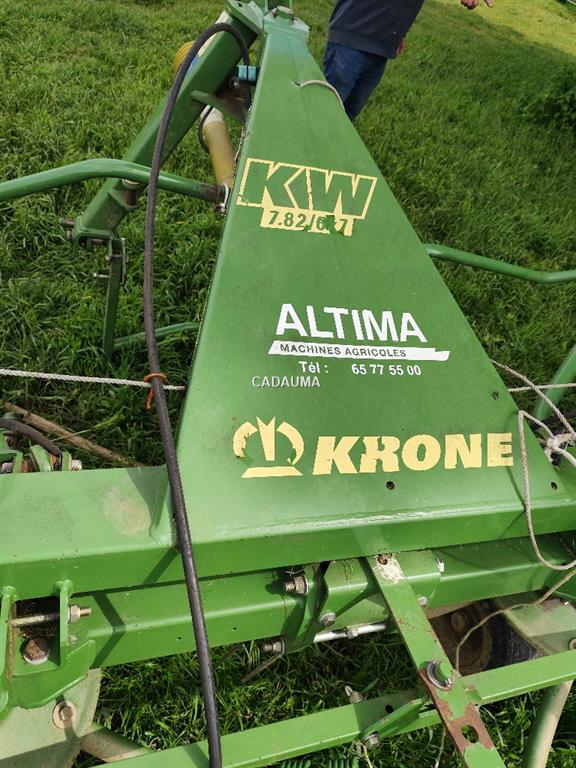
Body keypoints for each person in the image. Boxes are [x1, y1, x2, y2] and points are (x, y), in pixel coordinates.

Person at [324, 0, 494, 121]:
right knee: (326, 111)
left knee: (347, 117)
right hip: (353, 35)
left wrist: (400, 32)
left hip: (380, 46)